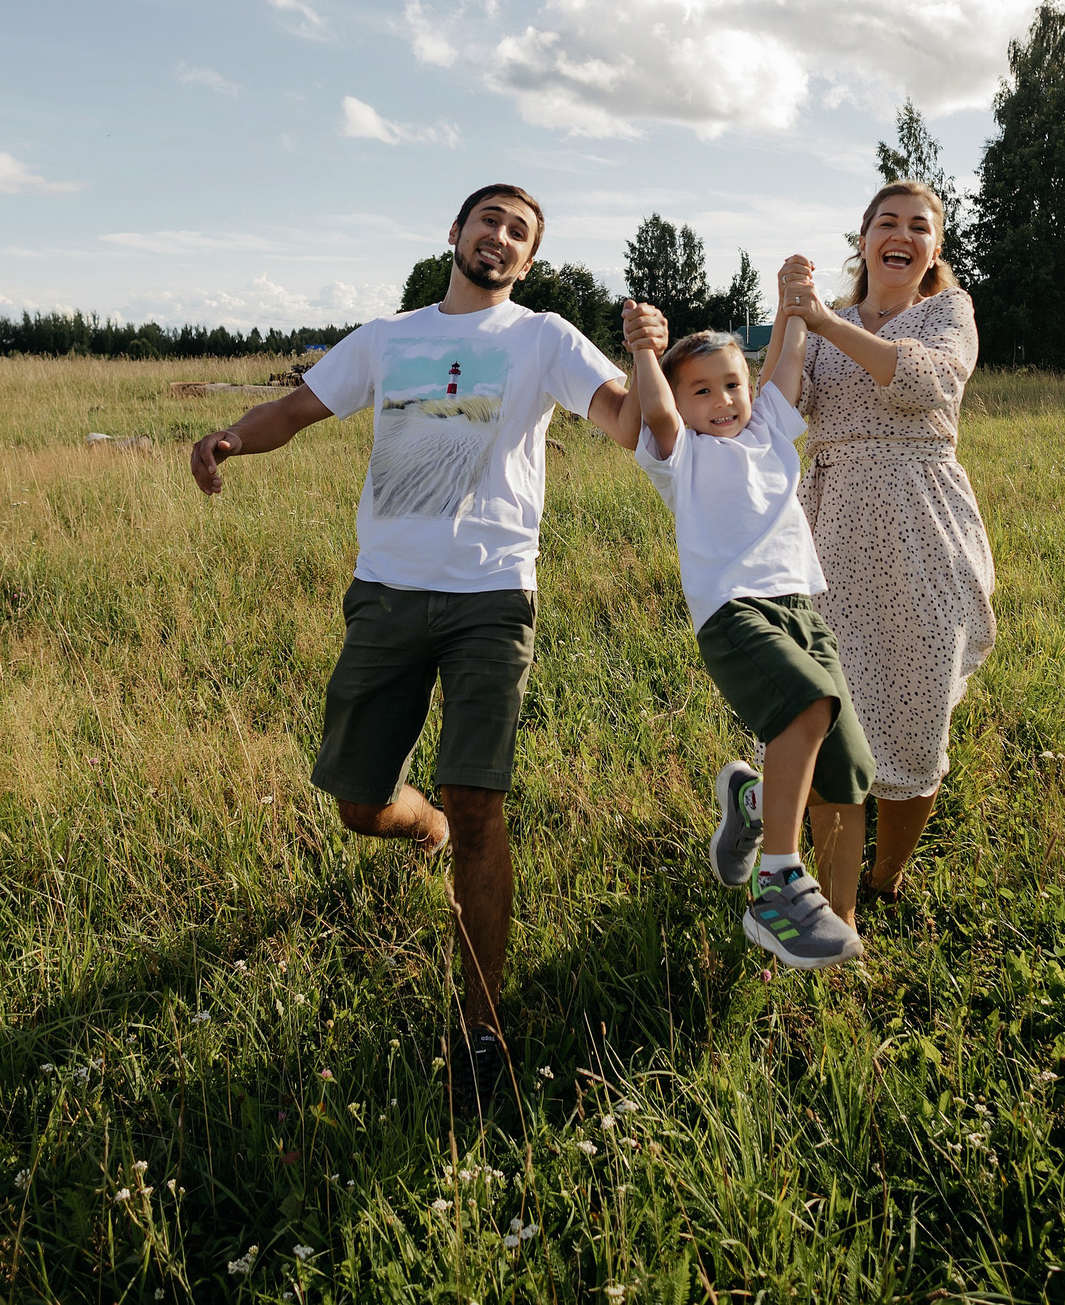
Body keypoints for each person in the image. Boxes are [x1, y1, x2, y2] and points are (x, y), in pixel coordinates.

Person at [189, 184, 667, 1114]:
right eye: (490, 220)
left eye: (519, 232)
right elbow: (297, 409)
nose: (501, 237)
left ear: (528, 260)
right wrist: (229, 439)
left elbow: (627, 424)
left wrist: (647, 355)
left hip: (493, 593)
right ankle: (423, 825)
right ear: (455, 232)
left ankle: (481, 1030)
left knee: (479, 799)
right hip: (388, 589)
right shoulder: (387, 337)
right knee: (359, 803)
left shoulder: (543, 338)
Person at [622, 305, 875, 970]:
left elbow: (787, 363)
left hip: (800, 610)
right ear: (681, 404)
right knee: (807, 702)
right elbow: (655, 410)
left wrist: (796, 305)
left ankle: (759, 808)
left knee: (847, 768)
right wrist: (645, 350)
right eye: (701, 390)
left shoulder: (767, 431)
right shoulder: (680, 454)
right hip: (732, 612)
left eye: (732, 384)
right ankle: (777, 885)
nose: (723, 401)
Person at [774, 180, 996, 928]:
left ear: (934, 248)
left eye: (919, 226)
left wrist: (824, 322)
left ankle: (886, 875)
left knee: (916, 711)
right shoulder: (823, 320)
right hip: (830, 529)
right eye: (887, 222)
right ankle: (831, 899)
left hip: (922, 528)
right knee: (828, 714)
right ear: (864, 238)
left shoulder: (948, 312)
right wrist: (790, 316)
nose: (902, 235)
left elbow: (922, 382)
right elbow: (779, 403)